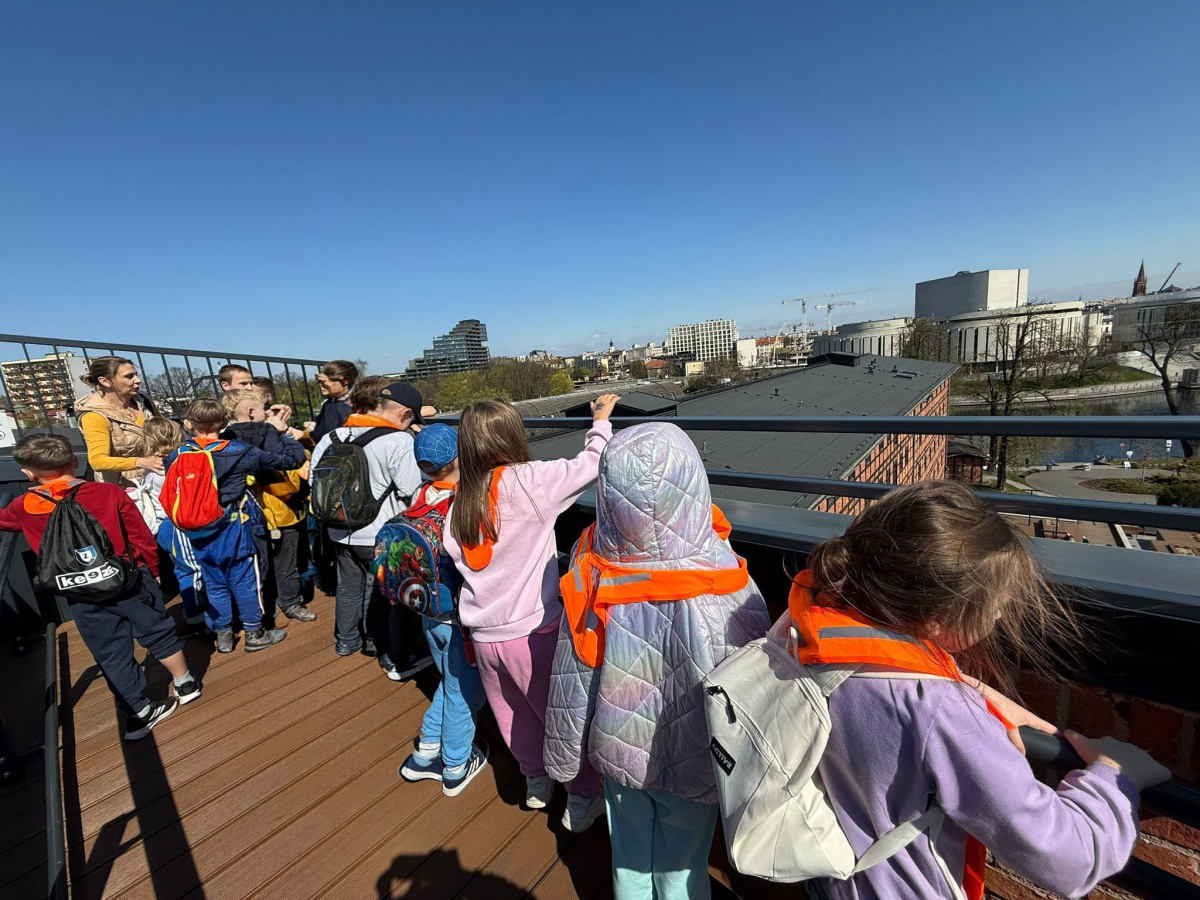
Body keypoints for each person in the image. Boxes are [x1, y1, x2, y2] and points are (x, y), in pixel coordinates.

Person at [794, 481, 1168, 900]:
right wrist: (1115, 775)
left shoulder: (803, 630)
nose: (1001, 614)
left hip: (829, 882)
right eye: (998, 604)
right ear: (940, 618)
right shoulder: (942, 714)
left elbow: (882, 660)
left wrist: (968, 686)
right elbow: (1069, 858)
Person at [546, 422, 771, 895]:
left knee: (629, 853)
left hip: (620, 752)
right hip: (697, 762)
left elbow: (573, 677)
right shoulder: (733, 580)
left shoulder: (591, 576)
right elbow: (755, 690)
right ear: (693, 483)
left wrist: (563, 759)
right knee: (684, 862)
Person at [442, 393, 619, 833]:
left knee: (513, 716)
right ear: (512, 436)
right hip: (533, 633)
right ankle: (581, 796)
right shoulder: (531, 481)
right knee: (559, 718)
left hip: (484, 638)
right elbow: (591, 464)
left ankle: (536, 782)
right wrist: (600, 421)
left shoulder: (461, 501)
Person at [0, 434, 201, 739]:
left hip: (79, 590)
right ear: (75, 462)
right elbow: (139, 535)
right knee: (157, 630)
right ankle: (185, 683)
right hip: (128, 578)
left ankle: (139, 712)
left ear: (28, 473)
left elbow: (5, 521)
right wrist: (153, 569)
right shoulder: (108, 493)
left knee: (109, 651)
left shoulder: (23, 506)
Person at [165, 398, 306, 653]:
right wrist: (283, 434)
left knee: (214, 581)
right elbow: (291, 461)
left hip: (198, 530)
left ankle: (224, 636)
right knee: (244, 579)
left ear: (187, 423)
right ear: (223, 423)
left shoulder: (178, 454)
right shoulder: (239, 451)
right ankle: (254, 632)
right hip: (232, 526)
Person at [309, 377, 428, 672]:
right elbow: (411, 490)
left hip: (338, 530)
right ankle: (379, 645)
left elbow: (314, 482)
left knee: (348, 587)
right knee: (384, 595)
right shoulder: (398, 440)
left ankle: (346, 640)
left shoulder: (333, 436)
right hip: (379, 533)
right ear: (404, 414)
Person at [396, 424, 488, 797]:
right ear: (460, 456)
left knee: (450, 681)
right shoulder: (463, 500)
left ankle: (426, 750)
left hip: (428, 609)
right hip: (458, 616)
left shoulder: (421, 494)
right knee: (465, 693)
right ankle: (455, 765)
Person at [220, 389, 317, 624]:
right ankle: (289, 602)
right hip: (278, 506)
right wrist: (280, 432)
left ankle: (259, 611)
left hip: (246, 513)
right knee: (286, 561)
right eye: (262, 409)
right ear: (251, 411)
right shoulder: (266, 432)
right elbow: (288, 460)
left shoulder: (223, 439)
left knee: (255, 566)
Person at [139, 417, 207, 631]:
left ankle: (197, 609)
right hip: (174, 523)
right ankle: (195, 614)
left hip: (171, 523)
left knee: (189, 566)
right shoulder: (165, 467)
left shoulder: (155, 464)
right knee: (191, 568)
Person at [74, 356, 161, 489]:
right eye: (129, 376)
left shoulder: (144, 402)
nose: (137, 380)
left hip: (156, 481)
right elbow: (98, 461)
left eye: (136, 375)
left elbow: (165, 432)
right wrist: (141, 462)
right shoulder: (94, 416)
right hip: (123, 489)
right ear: (105, 381)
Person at [306, 360, 358, 443]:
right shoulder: (329, 403)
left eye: (323, 382)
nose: (320, 385)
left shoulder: (354, 405)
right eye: (318, 381)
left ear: (344, 381)